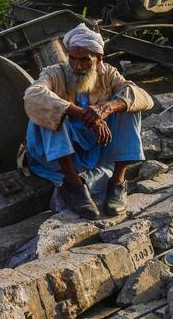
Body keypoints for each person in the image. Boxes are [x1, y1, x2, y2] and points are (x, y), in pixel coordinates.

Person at [22, 23, 154, 219]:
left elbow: (144, 97)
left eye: (84, 60)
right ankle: (74, 185)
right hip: (56, 154)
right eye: (72, 59)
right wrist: (79, 112)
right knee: (49, 109)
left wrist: (106, 108)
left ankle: (118, 182)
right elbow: (32, 95)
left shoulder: (108, 73)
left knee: (128, 104)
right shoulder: (54, 72)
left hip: (95, 147)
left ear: (98, 58)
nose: (77, 66)